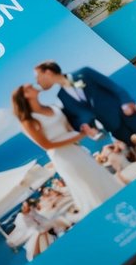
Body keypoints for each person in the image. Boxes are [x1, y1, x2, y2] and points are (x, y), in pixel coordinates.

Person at [10, 84, 124, 219]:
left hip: (77, 150)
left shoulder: (53, 107)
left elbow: (69, 128)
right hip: (62, 157)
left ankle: (120, 205)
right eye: (30, 87)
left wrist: (83, 131)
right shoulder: (28, 121)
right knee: (86, 185)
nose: (34, 86)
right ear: (25, 95)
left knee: (98, 176)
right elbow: (46, 144)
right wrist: (78, 136)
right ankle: (105, 217)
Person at [34, 60, 136, 156]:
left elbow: (114, 87)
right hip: (113, 127)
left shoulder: (85, 73)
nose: (37, 82)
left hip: (126, 113)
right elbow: (77, 117)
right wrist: (84, 125)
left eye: (38, 77)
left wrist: (126, 103)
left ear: (48, 72)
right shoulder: (61, 96)